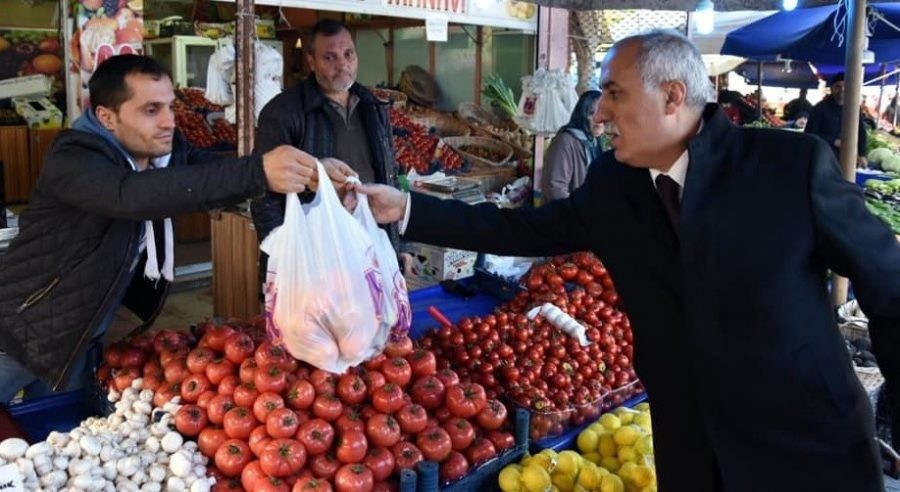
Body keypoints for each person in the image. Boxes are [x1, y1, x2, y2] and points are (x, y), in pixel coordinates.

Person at [354, 30, 900, 491]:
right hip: (690, 448)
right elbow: (525, 229)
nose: (600, 114)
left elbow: (889, 286)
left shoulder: (788, 167)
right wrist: (406, 208)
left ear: (672, 96)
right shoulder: (615, 185)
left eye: (614, 93)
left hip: (805, 445)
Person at [0, 54, 350, 404]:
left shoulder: (163, 151)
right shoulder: (73, 156)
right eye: (151, 110)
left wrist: (307, 171)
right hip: (20, 328)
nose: (169, 121)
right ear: (106, 117)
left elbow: (207, 170)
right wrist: (258, 172)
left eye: (170, 106)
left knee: (51, 430)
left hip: (80, 333)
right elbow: (132, 195)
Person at [251, 18, 398, 256]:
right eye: (330, 57)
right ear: (311, 62)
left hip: (371, 243)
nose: (342, 65)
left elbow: (390, 173)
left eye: (348, 54)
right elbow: (262, 195)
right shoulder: (283, 113)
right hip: (316, 251)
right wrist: (283, 260)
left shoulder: (373, 107)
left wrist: (395, 245)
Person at [542, 90, 604, 201]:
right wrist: (578, 213)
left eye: (603, 113)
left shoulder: (593, 141)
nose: (599, 119)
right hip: (567, 216)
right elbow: (555, 188)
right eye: (591, 113)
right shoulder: (565, 141)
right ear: (582, 114)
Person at [805, 73, 868, 168]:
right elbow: (810, 133)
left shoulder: (854, 108)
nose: (842, 90)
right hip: (823, 156)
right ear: (831, 88)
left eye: (845, 86)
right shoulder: (819, 108)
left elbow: (861, 132)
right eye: (838, 86)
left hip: (847, 157)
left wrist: (862, 154)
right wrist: (834, 141)